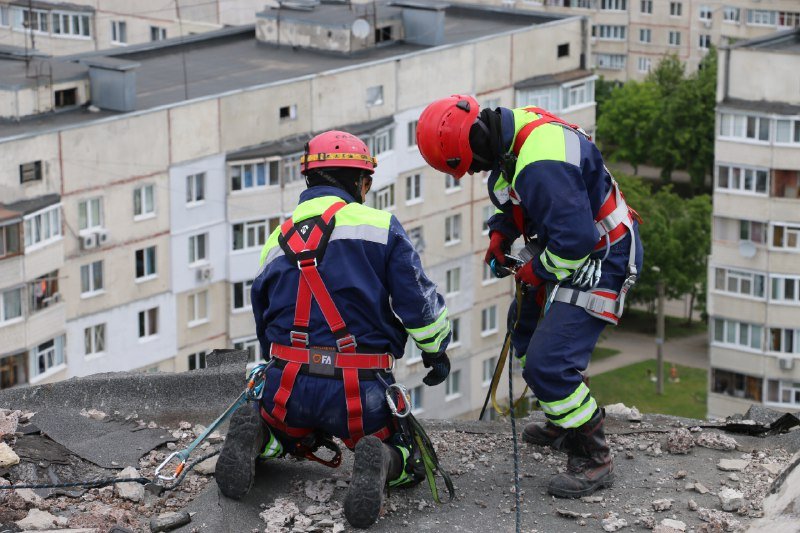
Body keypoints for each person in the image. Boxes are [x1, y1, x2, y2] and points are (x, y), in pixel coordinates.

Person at [216, 130, 452, 528]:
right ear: (358, 182)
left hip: (288, 383)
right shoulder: (380, 226)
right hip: (359, 393)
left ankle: (260, 435)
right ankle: (383, 460)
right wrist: (436, 349)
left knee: (287, 434)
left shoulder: (276, 238)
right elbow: (419, 303)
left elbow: (265, 321)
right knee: (411, 458)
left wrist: (280, 370)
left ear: (310, 180)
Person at [416, 95, 644, 499]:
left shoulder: (541, 162)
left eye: (474, 165)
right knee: (522, 330)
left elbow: (575, 242)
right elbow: (517, 194)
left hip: (602, 253)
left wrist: (534, 270)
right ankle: (564, 416)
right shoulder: (513, 132)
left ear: (478, 142)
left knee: (548, 363)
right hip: (574, 242)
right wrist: (501, 232)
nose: (476, 173)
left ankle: (594, 456)